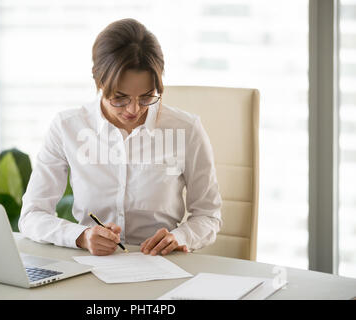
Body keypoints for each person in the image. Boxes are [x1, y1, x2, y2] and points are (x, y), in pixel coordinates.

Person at [18, 18, 222, 256]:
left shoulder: (186, 129)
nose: (134, 110)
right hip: (92, 267)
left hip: (163, 265)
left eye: (146, 97)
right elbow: (32, 215)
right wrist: (81, 237)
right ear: (98, 80)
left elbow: (208, 215)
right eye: (120, 98)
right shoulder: (67, 128)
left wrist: (180, 237)